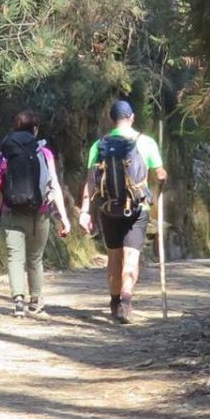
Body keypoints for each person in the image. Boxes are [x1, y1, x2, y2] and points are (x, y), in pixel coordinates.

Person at [78, 99, 166, 324]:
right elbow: (159, 174)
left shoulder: (99, 145)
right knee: (131, 256)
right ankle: (126, 302)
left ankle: (114, 301)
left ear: (112, 119)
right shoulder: (146, 142)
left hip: (109, 209)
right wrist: (161, 176)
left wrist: (85, 211)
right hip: (137, 209)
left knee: (114, 256)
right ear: (132, 117)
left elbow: (90, 181)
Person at [0, 111, 72, 317]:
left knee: (15, 258)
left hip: (10, 211)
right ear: (35, 129)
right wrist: (64, 217)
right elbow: (53, 185)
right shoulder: (44, 152)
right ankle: (35, 302)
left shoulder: (7, 150)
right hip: (38, 213)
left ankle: (18, 302)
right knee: (35, 258)